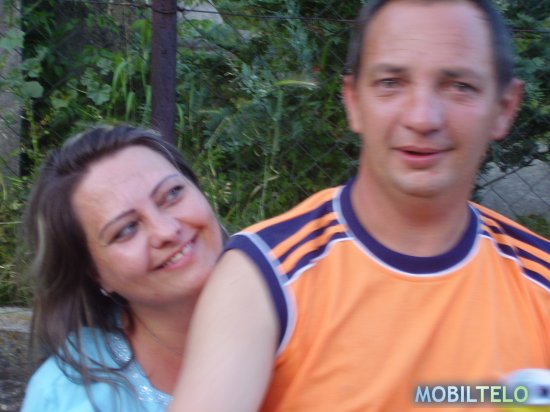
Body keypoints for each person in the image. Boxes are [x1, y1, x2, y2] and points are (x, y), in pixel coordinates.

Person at [170, 0, 550, 411]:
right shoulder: (262, 280)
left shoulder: (541, 284)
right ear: (353, 102)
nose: (423, 118)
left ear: (504, 108)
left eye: (459, 86)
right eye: (391, 82)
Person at [20, 125, 225, 412]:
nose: (166, 231)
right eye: (126, 229)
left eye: (172, 194)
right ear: (94, 272)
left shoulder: (291, 303)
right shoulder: (67, 397)